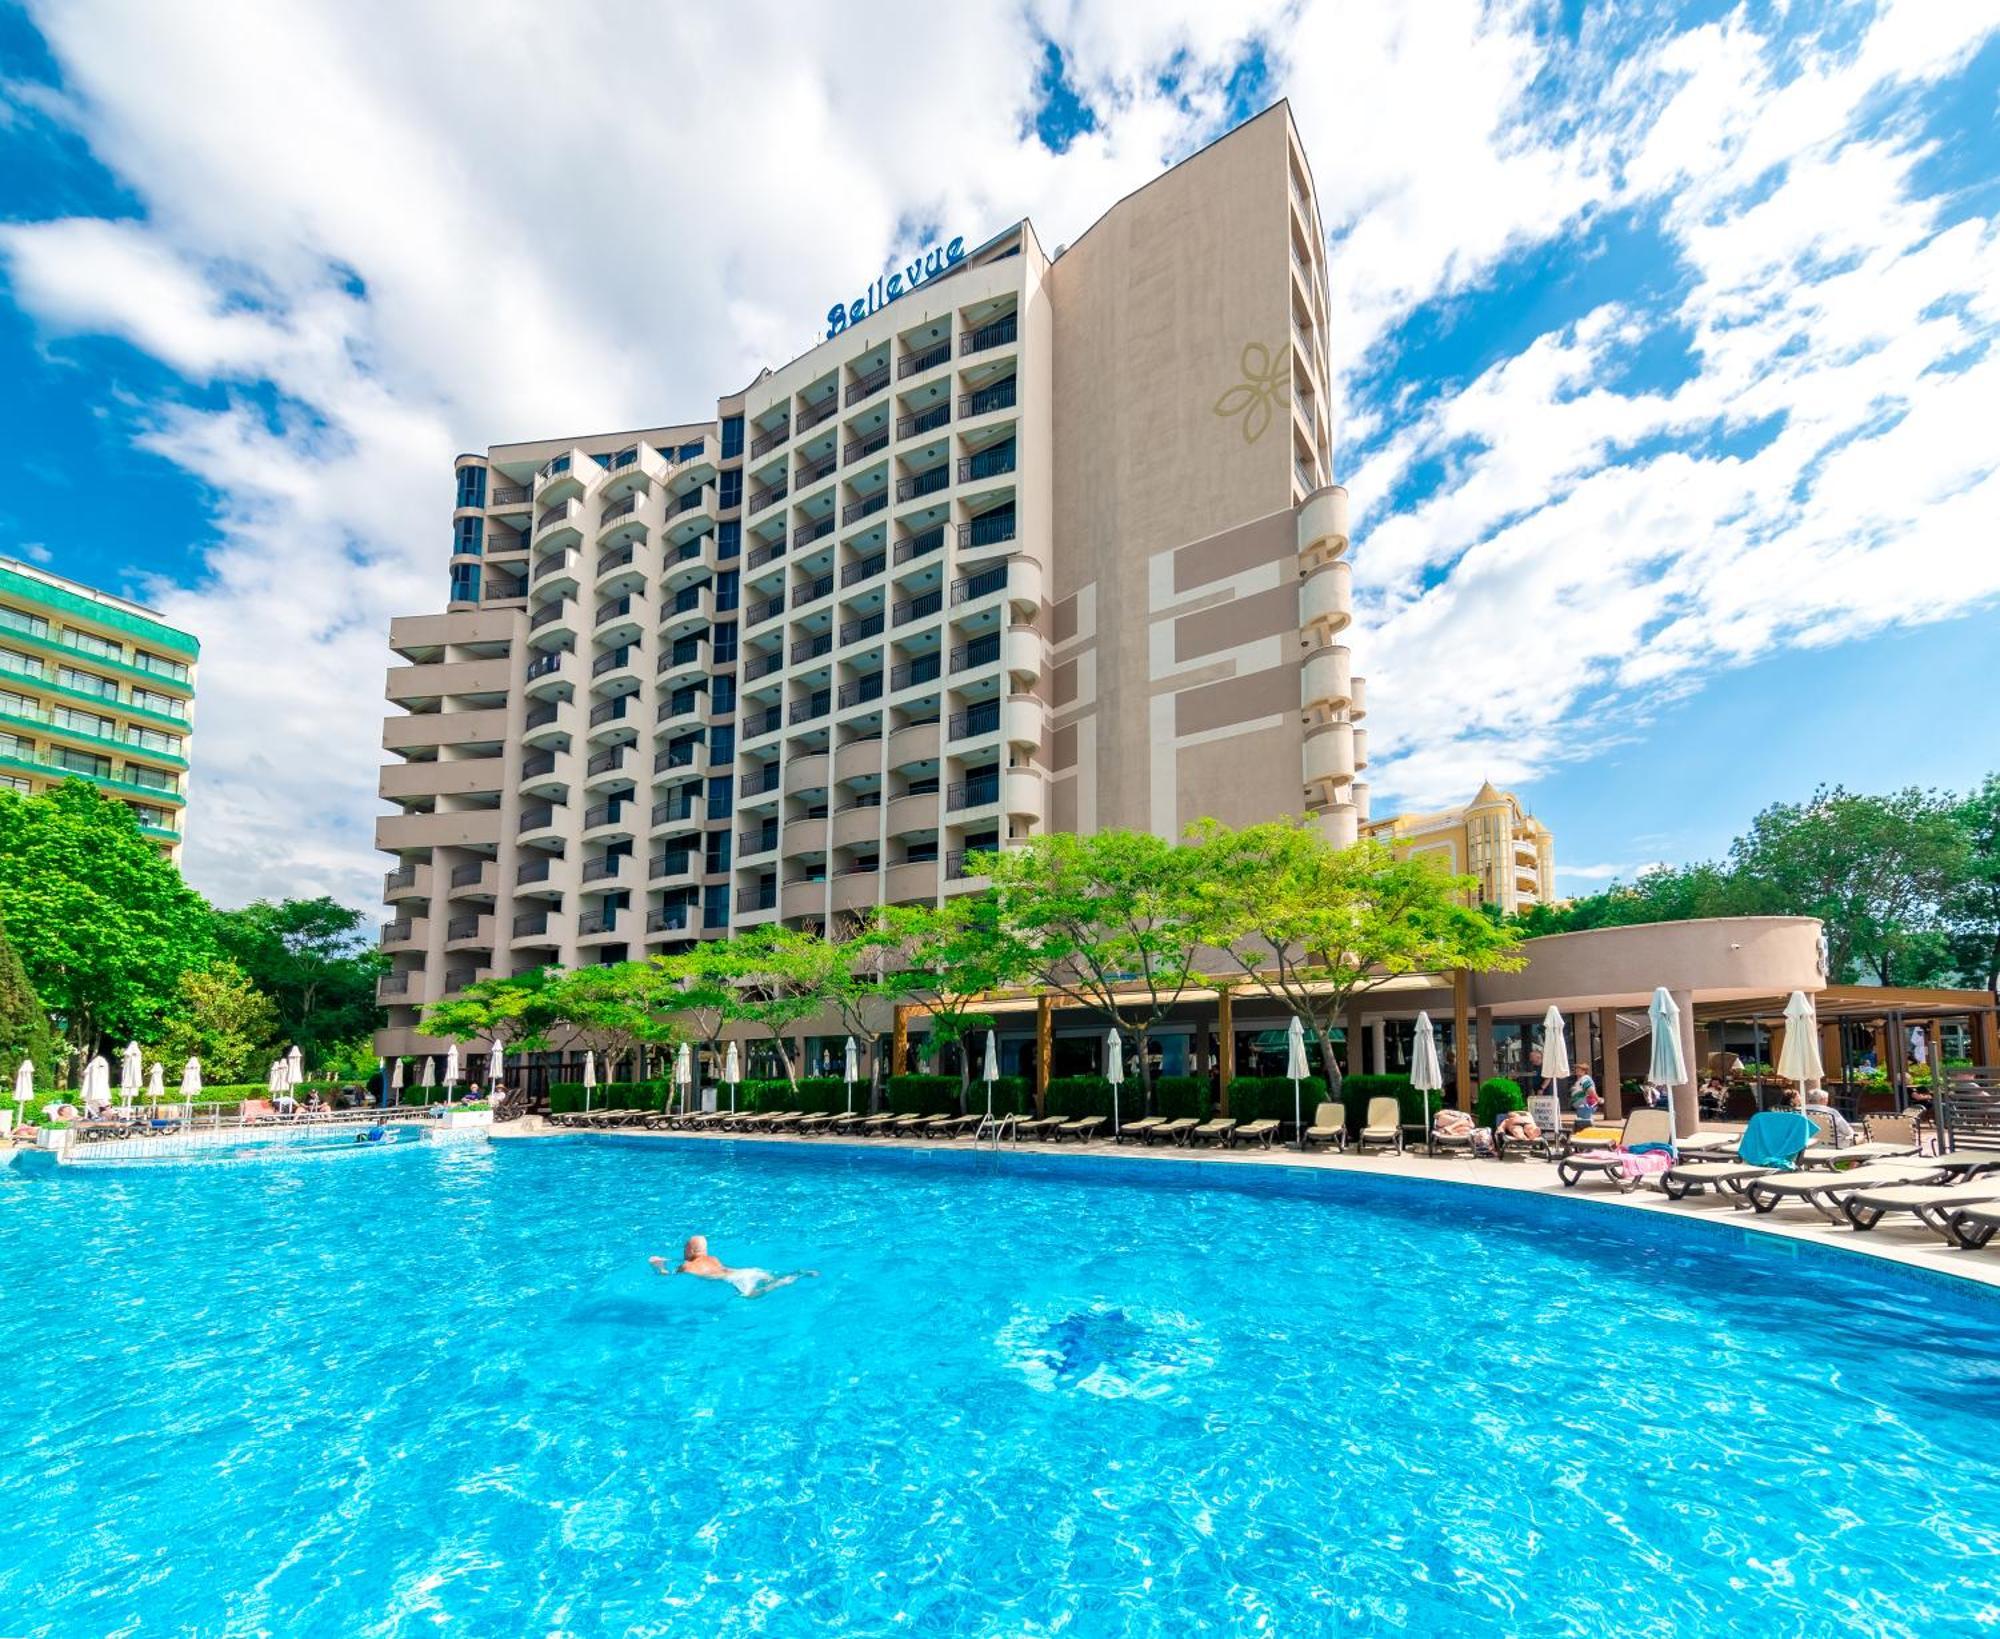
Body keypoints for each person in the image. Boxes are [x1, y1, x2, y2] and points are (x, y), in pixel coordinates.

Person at [650, 1235, 816, 1299]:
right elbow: (699, 1261)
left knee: (752, 1296)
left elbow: (667, 1275)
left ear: (691, 1250)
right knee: (771, 1278)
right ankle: (795, 1274)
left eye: (684, 1248)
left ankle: (792, 1277)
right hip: (747, 1271)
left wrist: (658, 1265)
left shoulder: (686, 1266)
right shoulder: (713, 1258)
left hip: (737, 1278)